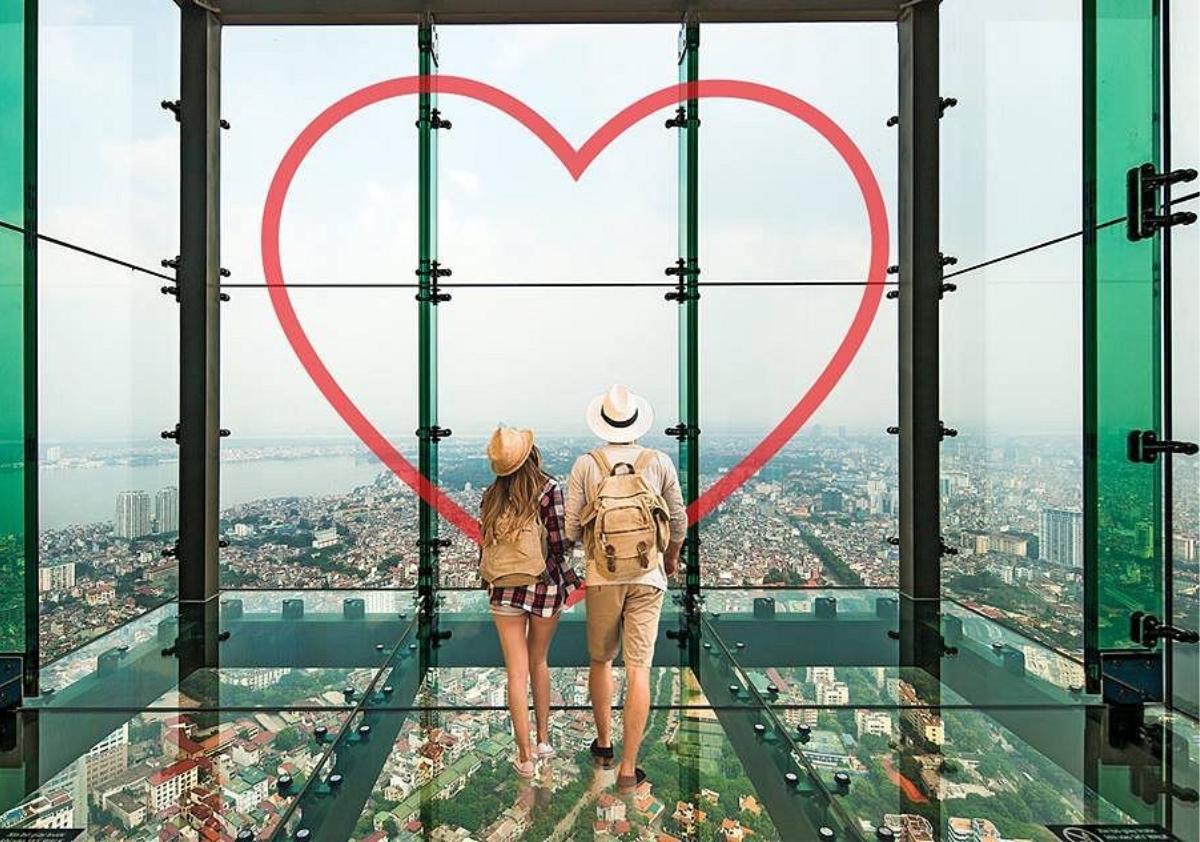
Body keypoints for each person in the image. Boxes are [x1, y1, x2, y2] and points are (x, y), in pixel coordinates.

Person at [564, 385, 687, 791]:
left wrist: (600, 547)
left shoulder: (586, 464)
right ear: (637, 421)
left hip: (602, 577)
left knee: (601, 662)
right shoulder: (659, 461)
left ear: (602, 422)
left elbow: (570, 530)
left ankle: (603, 744)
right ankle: (629, 768)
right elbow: (679, 521)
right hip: (649, 577)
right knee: (639, 670)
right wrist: (668, 560)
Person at [480, 426, 582, 778]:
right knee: (539, 662)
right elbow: (558, 544)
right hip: (544, 588)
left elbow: (485, 548)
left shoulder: (490, 496)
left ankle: (523, 757)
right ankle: (542, 739)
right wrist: (569, 578)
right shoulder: (549, 489)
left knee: (515, 672)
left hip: (503, 590)